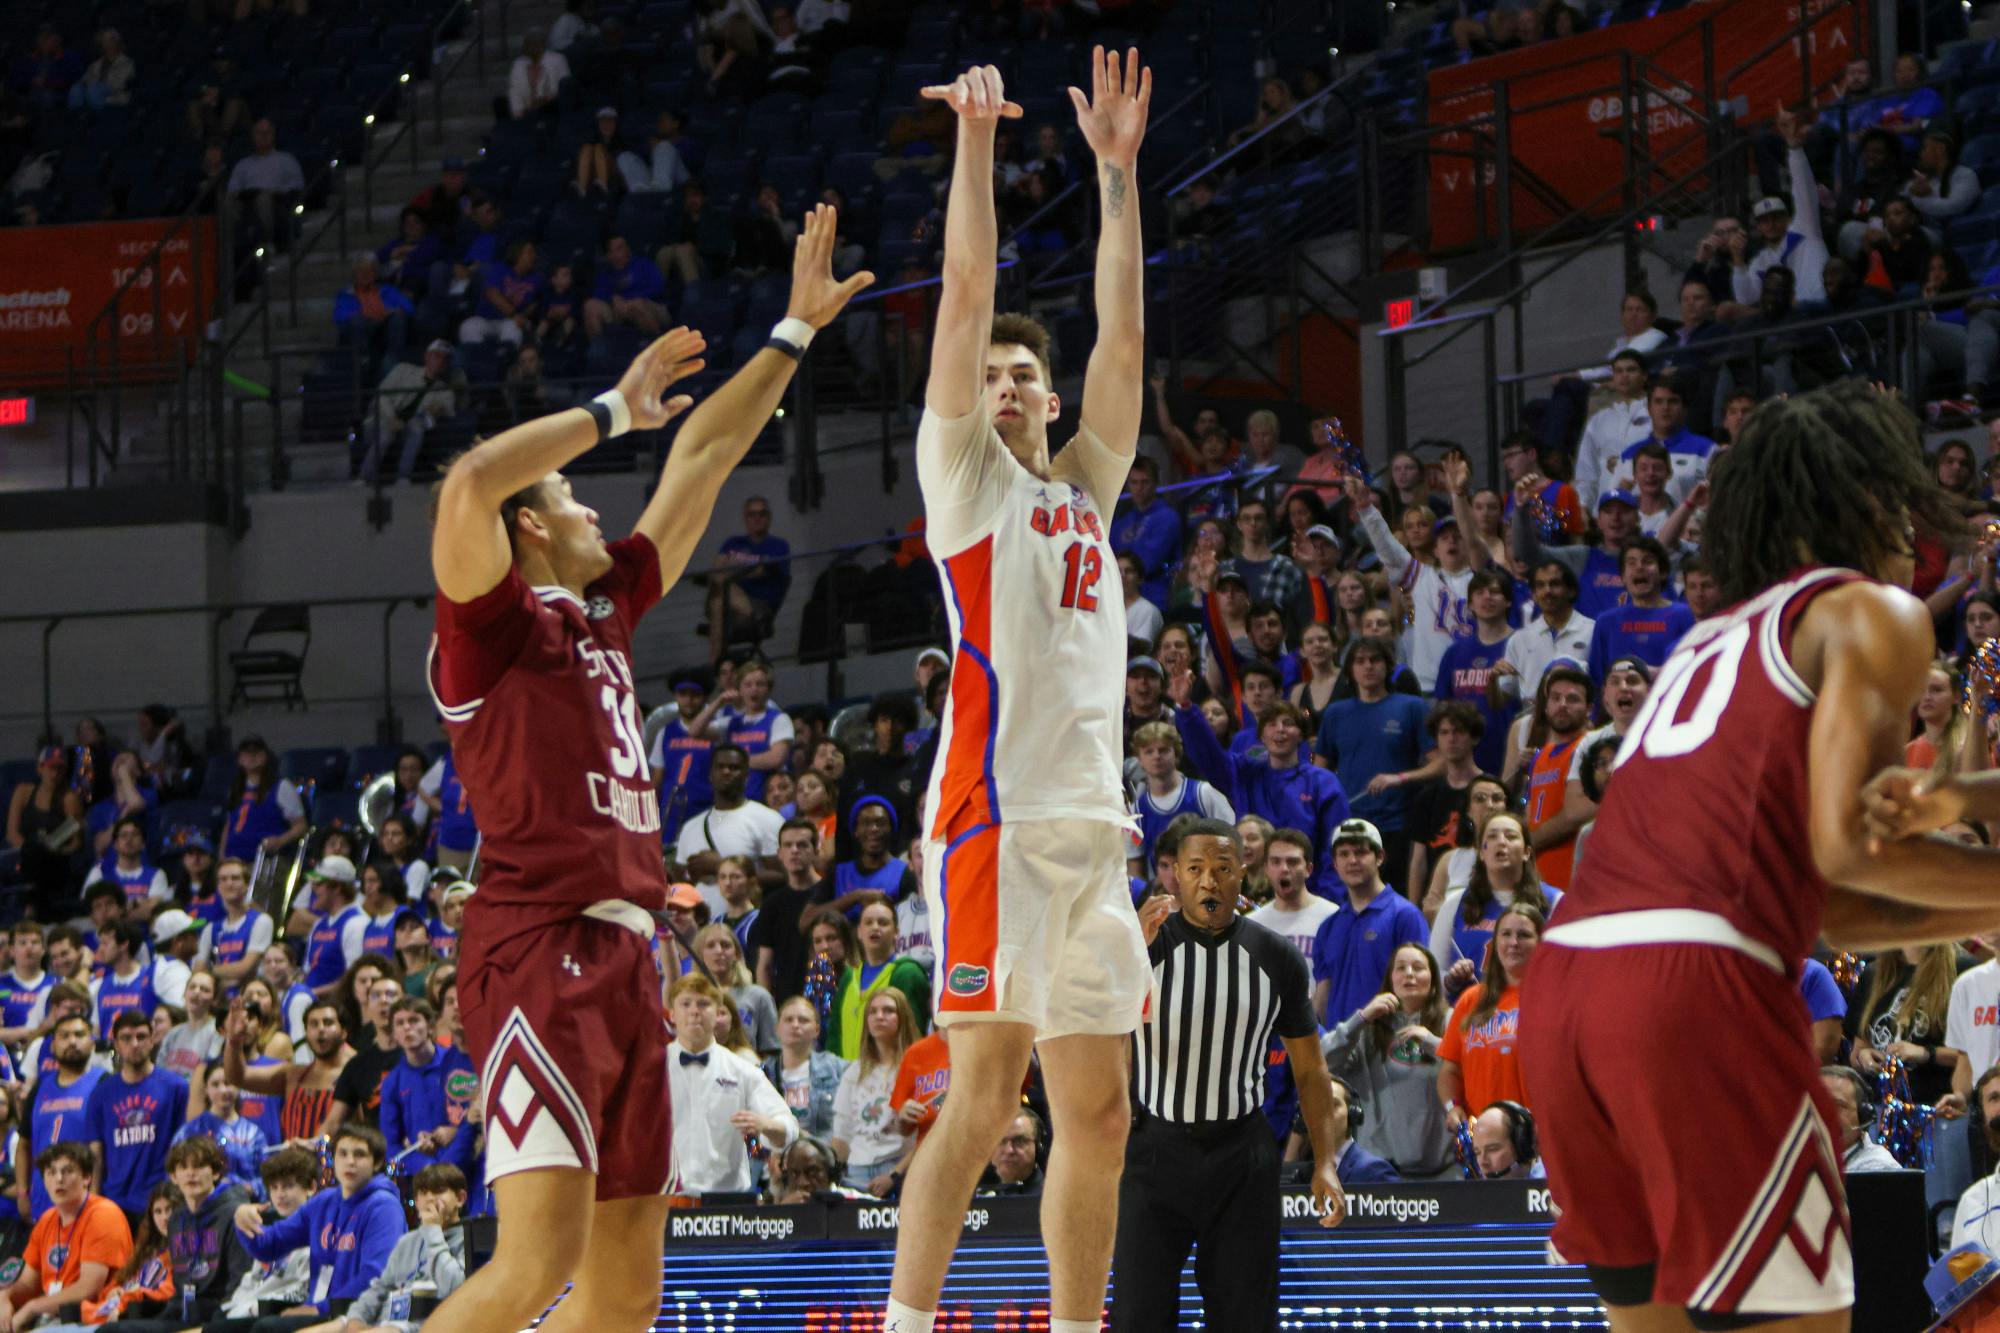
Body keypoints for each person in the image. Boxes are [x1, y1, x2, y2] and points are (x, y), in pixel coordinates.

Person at [420, 202, 866, 1331]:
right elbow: (470, 481)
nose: (594, 499)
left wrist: (792, 337)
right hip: (536, 941)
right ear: (529, 531)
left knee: (623, 1293)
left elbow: (705, 455)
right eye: (570, 496)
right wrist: (609, 409)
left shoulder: (606, 607)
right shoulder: (491, 626)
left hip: (626, 958)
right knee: (533, 1264)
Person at [1522, 379, 2000, 1329]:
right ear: (1866, 497)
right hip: (1692, 990)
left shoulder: (1704, 645)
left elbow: (1828, 903)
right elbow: (1849, 841)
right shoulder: (1873, 610)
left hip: (1566, 991)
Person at [888, 52, 1153, 1333]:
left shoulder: (1082, 493)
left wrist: (1115, 176)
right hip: (992, 821)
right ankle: (901, 1325)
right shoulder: (967, 486)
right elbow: (963, 293)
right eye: (986, 376)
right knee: (984, 1099)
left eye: (1018, 377)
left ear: (1046, 400)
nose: (1000, 386)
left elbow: (1124, 339)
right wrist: (980, 145)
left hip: (1094, 834)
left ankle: (1076, 1326)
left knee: (1095, 1113)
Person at [1111, 818, 1343, 1332]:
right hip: (1152, 1153)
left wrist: (1325, 1160)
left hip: (1242, 1158)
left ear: (1243, 873)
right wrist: (1126, 955)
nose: (1209, 881)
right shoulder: (1139, 944)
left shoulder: (1275, 956)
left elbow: (1310, 1069)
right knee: (1137, 1316)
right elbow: (1093, 1035)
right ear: (1174, 875)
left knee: (1246, 1318)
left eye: (1221, 868)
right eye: (1194, 869)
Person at [232, 1124, 405, 1328]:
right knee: (223, 1329)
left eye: (359, 1155)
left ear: (375, 1163)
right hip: (322, 1309)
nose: (350, 1162)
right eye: (343, 1154)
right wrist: (243, 1219)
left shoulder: (384, 1207)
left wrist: (321, 1307)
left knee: (267, 1328)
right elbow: (269, 1245)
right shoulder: (323, 1202)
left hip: (358, 1314)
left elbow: (376, 1275)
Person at [1322, 942, 1455, 1179]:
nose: (1409, 974)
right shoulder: (1368, 1030)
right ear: (1390, 979)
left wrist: (1436, 1044)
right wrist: (1360, 1018)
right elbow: (1322, 1064)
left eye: (1418, 967)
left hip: (1444, 1171)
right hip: (1382, 1173)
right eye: (1401, 968)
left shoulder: (1450, 1021)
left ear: (1433, 980)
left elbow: (1475, 1065)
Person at [664, 975, 797, 1197]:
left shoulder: (742, 1069)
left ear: (718, 1014)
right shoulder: (652, 1069)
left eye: (704, 1004)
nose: (694, 1011)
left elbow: (789, 1128)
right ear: (672, 1015)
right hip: (663, 1198)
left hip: (726, 1200)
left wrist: (766, 1124)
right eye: (686, 1004)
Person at [0, 1143, 132, 1327]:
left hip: (93, 1317)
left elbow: (89, 1289)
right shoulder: (46, 1220)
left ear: (87, 1177)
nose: (59, 1179)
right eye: (51, 1172)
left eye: (67, 1171)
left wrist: (32, 1307)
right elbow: (28, 1284)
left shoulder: (103, 1215)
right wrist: (5, 1297)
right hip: (52, 1316)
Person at [1311, 819, 1428, 1027]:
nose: (1352, 860)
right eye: (1344, 854)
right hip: (1340, 1047)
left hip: (1389, 1046)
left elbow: (1420, 990)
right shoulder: (1328, 926)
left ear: (1379, 857)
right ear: (1335, 863)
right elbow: (1322, 996)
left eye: (1361, 852)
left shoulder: (1405, 916)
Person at [1437, 902, 1541, 1131]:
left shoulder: (1553, 999)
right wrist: (1453, 1107)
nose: (1513, 943)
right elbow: (1450, 1071)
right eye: (1506, 934)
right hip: (1482, 1138)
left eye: (1523, 935)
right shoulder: (1470, 1001)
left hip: (1537, 1138)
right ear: (1496, 942)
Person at [86, 1008, 189, 1227]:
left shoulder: (176, 1087)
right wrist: (94, 1202)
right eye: (126, 1038)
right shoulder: (101, 1094)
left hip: (162, 1200)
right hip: (115, 1201)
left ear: (152, 1040)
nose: (135, 1043)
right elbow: (95, 1154)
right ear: (116, 1044)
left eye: (141, 1036)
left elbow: (184, 1146)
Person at [1429, 812, 1559, 986]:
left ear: (1527, 852)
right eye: (1492, 836)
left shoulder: (1555, 901)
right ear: (1481, 852)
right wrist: (1451, 979)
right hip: (1466, 1008)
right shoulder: (1455, 903)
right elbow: (1434, 971)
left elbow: (1568, 969)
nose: (1501, 841)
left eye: (1511, 836)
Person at [224, 997, 352, 1149]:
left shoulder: (354, 1074)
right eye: (313, 1024)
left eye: (328, 1023)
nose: (320, 1029)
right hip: (293, 1166)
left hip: (334, 1167)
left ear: (344, 1032)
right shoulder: (293, 1074)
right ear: (306, 1033)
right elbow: (237, 1077)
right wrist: (234, 1039)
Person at [829, 988, 919, 1195]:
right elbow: (842, 1132)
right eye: (873, 1011)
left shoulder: (916, 1067)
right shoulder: (854, 1071)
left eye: (888, 1011)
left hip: (900, 1167)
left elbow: (928, 1135)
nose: (880, 1016)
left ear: (903, 1017)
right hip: (857, 1171)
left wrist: (894, 1175)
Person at [377, 997, 476, 1178]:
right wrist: (421, 1163)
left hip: (470, 1155)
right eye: (400, 1023)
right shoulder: (392, 1082)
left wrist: (455, 1132)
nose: (407, 1027)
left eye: (414, 1020)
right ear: (394, 1035)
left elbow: (477, 1110)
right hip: (424, 1172)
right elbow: (391, 1145)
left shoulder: (456, 1061)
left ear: (430, 1027)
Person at [22, 1013, 110, 1219]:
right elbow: (24, 1143)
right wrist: (22, 1192)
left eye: (79, 1035)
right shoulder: (39, 1088)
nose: (72, 1041)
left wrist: (95, 1196)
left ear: (92, 1042)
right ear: (53, 1046)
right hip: (43, 1200)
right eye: (64, 1036)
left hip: (84, 1198)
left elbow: (101, 1150)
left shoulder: (104, 1082)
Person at [824, 901, 929, 1060]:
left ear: (896, 932)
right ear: (859, 932)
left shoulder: (907, 973)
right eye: (868, 922)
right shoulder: (848, 977)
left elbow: (911, 1036)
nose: (875, 927)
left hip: (888, 1076)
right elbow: (834, 1035)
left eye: (883, 922)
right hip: (847, 1077)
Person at [673, 745, 784, 894]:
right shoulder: (690, 827)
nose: (726, 772)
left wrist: (721, 866)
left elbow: (785, 876)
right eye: (720, 767)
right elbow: (681, 881)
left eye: (734, 768)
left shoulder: (768, 819)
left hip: (749, 916)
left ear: (746, 776)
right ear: (710, 775)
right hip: (701, 916)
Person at [704, 498, 792, 667]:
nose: (757, 518)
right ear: (745, 518)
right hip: (731, 606)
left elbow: (761, 571)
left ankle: (714, 661)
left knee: (719, 592)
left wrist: (731, 568)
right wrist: (743, 571)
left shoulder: (779, 546)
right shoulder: (733, 543)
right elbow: (716, 569)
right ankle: (717, 660)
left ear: (769, 518)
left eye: (762, 514)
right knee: (719, 591)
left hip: (761, 605)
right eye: (752, 514)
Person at [750, 819, 829, 1001]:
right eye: (788, 845)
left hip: (828, 996)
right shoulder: (772, 904)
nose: (794, 850)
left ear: (815, 850)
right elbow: (764, 966)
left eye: (802, 845)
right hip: (786, 1001)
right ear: (779, 853)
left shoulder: (830, 894)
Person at [761, 995, 847, 1140]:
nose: (795, 1025)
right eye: (789, 1020)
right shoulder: (761, 1074)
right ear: (777, 1028)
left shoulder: (837, 1068)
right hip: (773, 1153)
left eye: (803, 1020)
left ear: (817, 1030)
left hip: (822, 1153)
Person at [1247, 828, 1336, 957]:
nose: (1284, 869)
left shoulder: (1331, 917)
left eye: (1292, 862)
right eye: (1276, 862)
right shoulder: (1252, 925)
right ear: (1266, 868)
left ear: (1308, 869)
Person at [1816, 1066, 1900, 1175]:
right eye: (1817, 1104)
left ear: (1862, 1116)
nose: (1824, 1113)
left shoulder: (1878, 1168)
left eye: (1837, 1105)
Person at [1469, 1101, 1542, 1180]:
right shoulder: (1480, 1190)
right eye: (1477, 1153)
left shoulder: (1554, 1185)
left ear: (1524, 1147)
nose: (1483, 1163)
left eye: (1492, 1149)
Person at [980, 1110, 1046, 1196]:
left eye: (1020, 1141)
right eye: (1000, 1140)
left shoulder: (1054, 1197)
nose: (1009, 1150)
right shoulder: (973, 1194)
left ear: (1038, 1147)